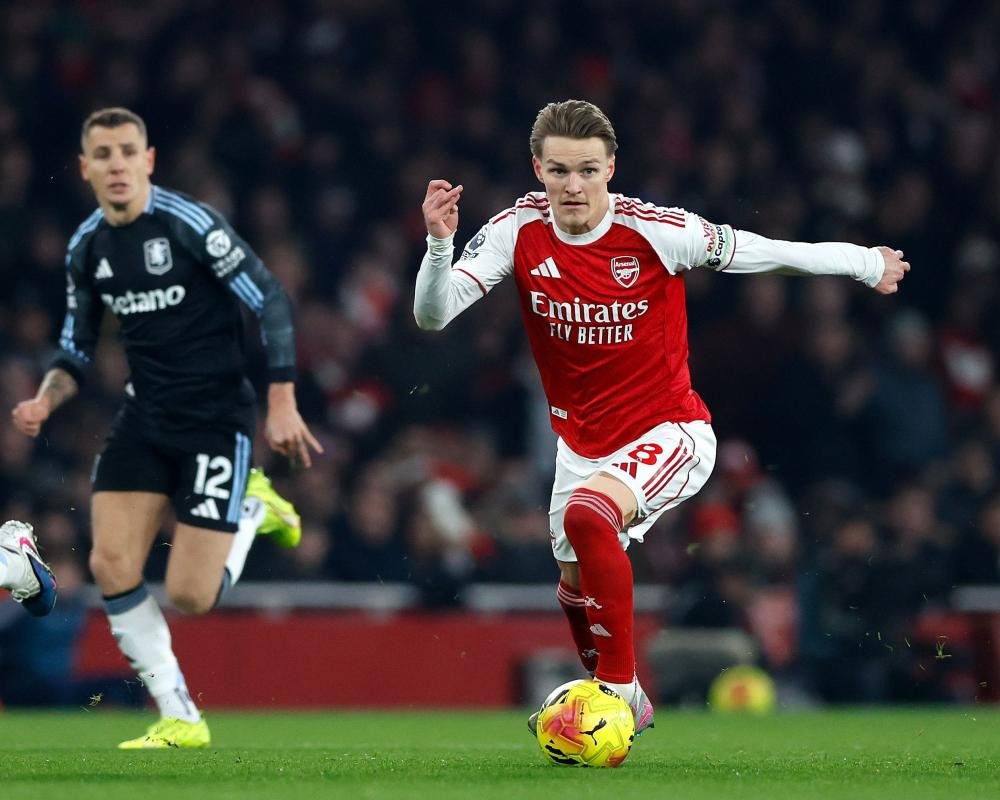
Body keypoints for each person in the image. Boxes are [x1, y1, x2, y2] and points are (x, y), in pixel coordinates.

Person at [414, 99, 909, 734]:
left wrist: (863, 262)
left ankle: (619, 694)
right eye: (560, 170)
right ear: (537, 168)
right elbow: (433, 314)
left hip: (669, 429)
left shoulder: (655, 230)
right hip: (581, 444)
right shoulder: (516, 230)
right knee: (571, 578)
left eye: (588, 170)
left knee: (587, 517)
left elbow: (759, 251)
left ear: (611, 168)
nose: (573, 186)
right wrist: (437, 244)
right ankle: (618, 698)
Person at [10, 107, 322, 748]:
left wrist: (282, 400)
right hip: (143, 417)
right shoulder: (87, 248)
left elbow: (269, 296)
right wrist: (45, 398)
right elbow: (74, 350)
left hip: (215, 419)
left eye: (128, 151)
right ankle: (179, 715)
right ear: (86, 168)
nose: (117, 163)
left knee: (192, 596)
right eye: (104, 154)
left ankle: (251, 510)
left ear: (148, 160)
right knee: (111, 562)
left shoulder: (188, 225)